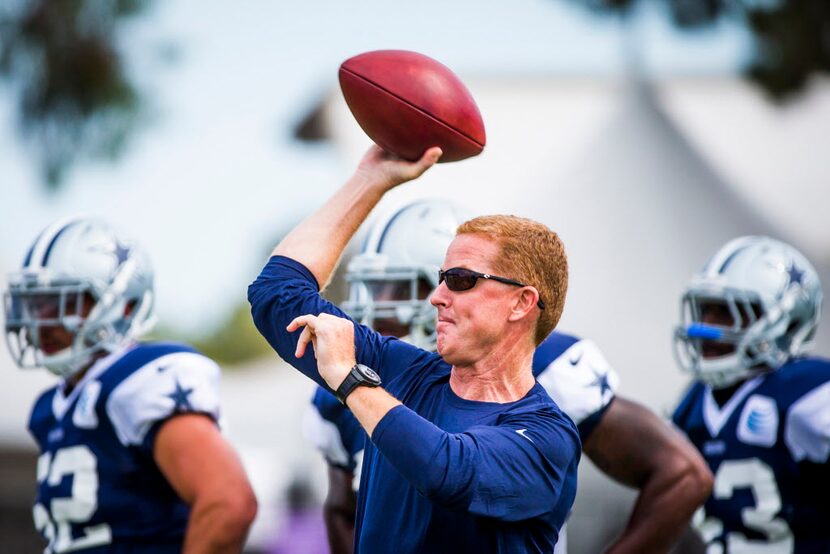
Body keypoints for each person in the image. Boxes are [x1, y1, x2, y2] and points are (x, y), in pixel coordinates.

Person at [304, 199, 713, 554]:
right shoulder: (345, 384)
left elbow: (681, 474)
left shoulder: (545, 367)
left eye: (398, 287)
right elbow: (343, 510)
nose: (379, 306)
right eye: (373, 288)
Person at [249, 146, 581, 553]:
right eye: (440, 278)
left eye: (460, 280)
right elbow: (276, 295)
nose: (437, 296)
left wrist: (352, 380)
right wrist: (370, 181)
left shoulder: (548, 436)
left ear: (521, 302)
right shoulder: (406, 371)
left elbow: (447, 469)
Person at [3, 217, 257, 553]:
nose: (43, 321)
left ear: (123, 304)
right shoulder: (50, 408)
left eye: (64, 301)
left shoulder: (139, 380)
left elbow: (228, 503)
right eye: (37, 304)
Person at [672, 235, 830, 553]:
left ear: (785, 320)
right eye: (705, 311)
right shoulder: (694, 402)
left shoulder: (807, 391)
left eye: (728, 313)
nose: (707, 327)